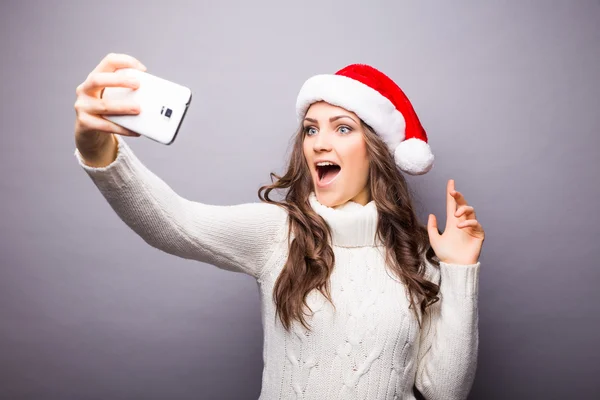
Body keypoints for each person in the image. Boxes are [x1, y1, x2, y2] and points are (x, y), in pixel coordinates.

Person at [73, 53, 485, 400]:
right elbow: (172, 222)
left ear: (376, 150)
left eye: (342, 127)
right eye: (310, 129)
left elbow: (443, 391)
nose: (318, 142)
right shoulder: (280, 233)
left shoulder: (415, 257)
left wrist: (460, 270)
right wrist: (98, 149)